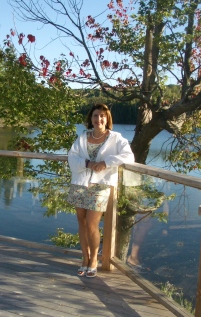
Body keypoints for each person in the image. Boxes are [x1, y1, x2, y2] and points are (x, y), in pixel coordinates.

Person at [67, 103, 135, 278]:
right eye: (96, 115)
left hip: (101, 185)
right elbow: (72, 156)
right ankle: (85, 258)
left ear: (108, 118)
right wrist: (87, 164)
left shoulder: (115, 138)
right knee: (81, 222)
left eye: (103, 116)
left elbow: (129, 156)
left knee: (92, 224)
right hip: (80, 184)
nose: (99, 119)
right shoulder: (83, 137)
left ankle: (94, 260)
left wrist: (106, 163)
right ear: (91, 118)